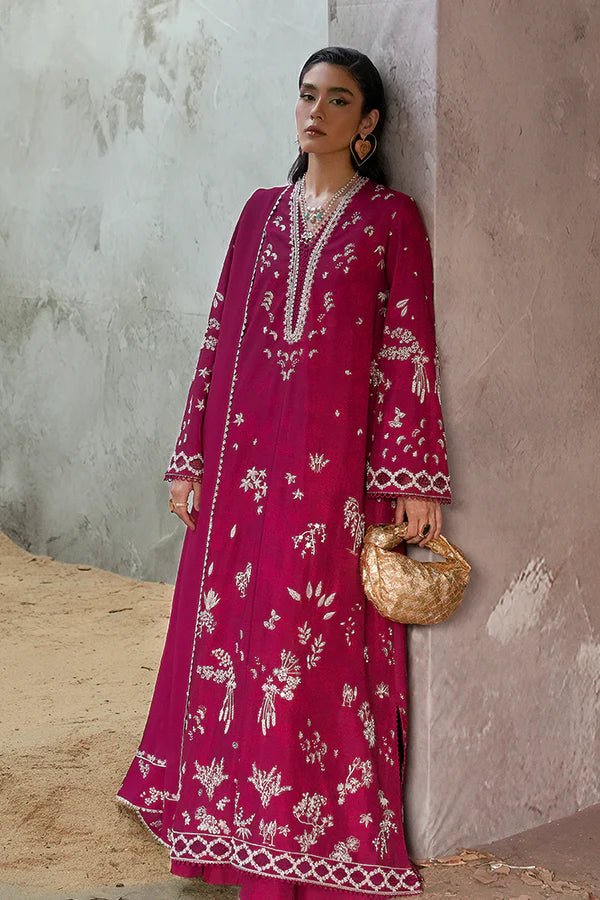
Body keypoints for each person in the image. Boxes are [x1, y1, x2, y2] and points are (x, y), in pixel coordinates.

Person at [115, 45, 452, 899]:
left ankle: (299, 824)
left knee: (313, 638)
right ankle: (223, 814)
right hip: (242, 470)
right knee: (235, 631)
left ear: (368, 124)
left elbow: (407, 347)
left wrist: (414, 476)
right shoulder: (260, 214)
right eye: (307, 96)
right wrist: (191, 456)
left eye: (339, 101)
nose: (317, 113)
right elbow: (220, 332)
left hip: (334, 478)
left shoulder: (392, 220)